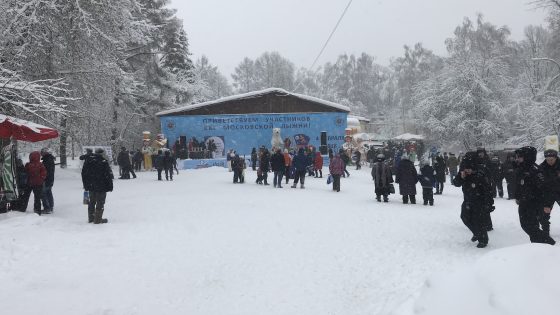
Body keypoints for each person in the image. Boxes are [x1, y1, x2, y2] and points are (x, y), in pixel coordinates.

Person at [452, 151, 494, 248]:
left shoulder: (481, 171)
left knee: (478, 220)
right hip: (468, 199)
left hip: (480, 200)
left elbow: (488, 188)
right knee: (465, 217)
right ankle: (476, 232)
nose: (467, 170)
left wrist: (489, 203)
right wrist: (461, 177)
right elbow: (456, 183)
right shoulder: (464, 170)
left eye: (469, 168)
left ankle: (483, 240)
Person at [514, 146, 555, 245]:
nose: (517, 159)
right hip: (524, 202)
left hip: (534, 203)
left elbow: (546, 189)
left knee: (530, 226)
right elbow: (519, 184)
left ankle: (548, 243)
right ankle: (537, 246)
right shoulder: (522, 168)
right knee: (527, 226)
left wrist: (547, 205)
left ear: (527, 157)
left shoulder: (535, 170)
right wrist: (518, 196)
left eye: (520, 157)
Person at [82, 148, 113, 224]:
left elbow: (83, 174)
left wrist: (86, 184)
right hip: (101, 186)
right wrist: (110, 186)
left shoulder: (88, 161)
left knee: (92, 202)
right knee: (100, 202)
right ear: (102, 153)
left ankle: (91, 218)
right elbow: (108, 175)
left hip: (91, 186)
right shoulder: (103, 162)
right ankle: (98, 219)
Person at [540, 149, 560, 237]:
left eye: (551, 159)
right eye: (548, 160)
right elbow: (540, 183)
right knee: (544, 215)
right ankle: (545, 234)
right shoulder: (542, 167)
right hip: (547, 194)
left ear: (556, 158)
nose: (549, 162)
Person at [40, 148, 55, 213]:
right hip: (50, 179)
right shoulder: (49, 159)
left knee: (44, 194)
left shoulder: (47, 160)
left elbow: (47, 171)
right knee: (48, 193)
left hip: (47, 179)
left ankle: (47, 208)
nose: (41, 154)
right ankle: (50, 207)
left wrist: (43, 177)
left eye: (42, 152)